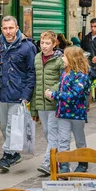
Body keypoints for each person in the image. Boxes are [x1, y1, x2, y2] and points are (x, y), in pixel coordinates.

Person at [0, 16, 36, 172]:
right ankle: (14, 154)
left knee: (12, 127)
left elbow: (31, 72)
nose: (8, 31)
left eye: (10, 28)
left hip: (17, 93)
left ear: (17, 27)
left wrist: (26, 95)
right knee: (4, 126)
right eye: (5, 28)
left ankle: (6, 155)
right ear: (1, 29)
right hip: (0, 91)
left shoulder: (27, 46)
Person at [45, 46, 91, 173]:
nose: (62, 58)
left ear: (72, 59)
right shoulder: (65, 73)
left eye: (64, 56)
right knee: (63, 140)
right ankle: (64, 165)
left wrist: (54, 95)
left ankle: (83, 163)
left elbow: (74, 95)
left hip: (77, 115)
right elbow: (62, 88)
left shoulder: (81, 76)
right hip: (63, 113)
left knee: (79, 140)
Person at [31, 31, 64, 176]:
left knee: (52, 133)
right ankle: (57, 158)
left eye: (47, 43)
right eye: (42, 43)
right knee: (47, 132)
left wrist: (53, 90)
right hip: (40, 103)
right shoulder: (37, 58)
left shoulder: (60, 60)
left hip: (53, 102)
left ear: (54, 44)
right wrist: (33, 108)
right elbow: (35, 82)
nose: (44, 46)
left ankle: (47, 162)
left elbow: (63, 79)